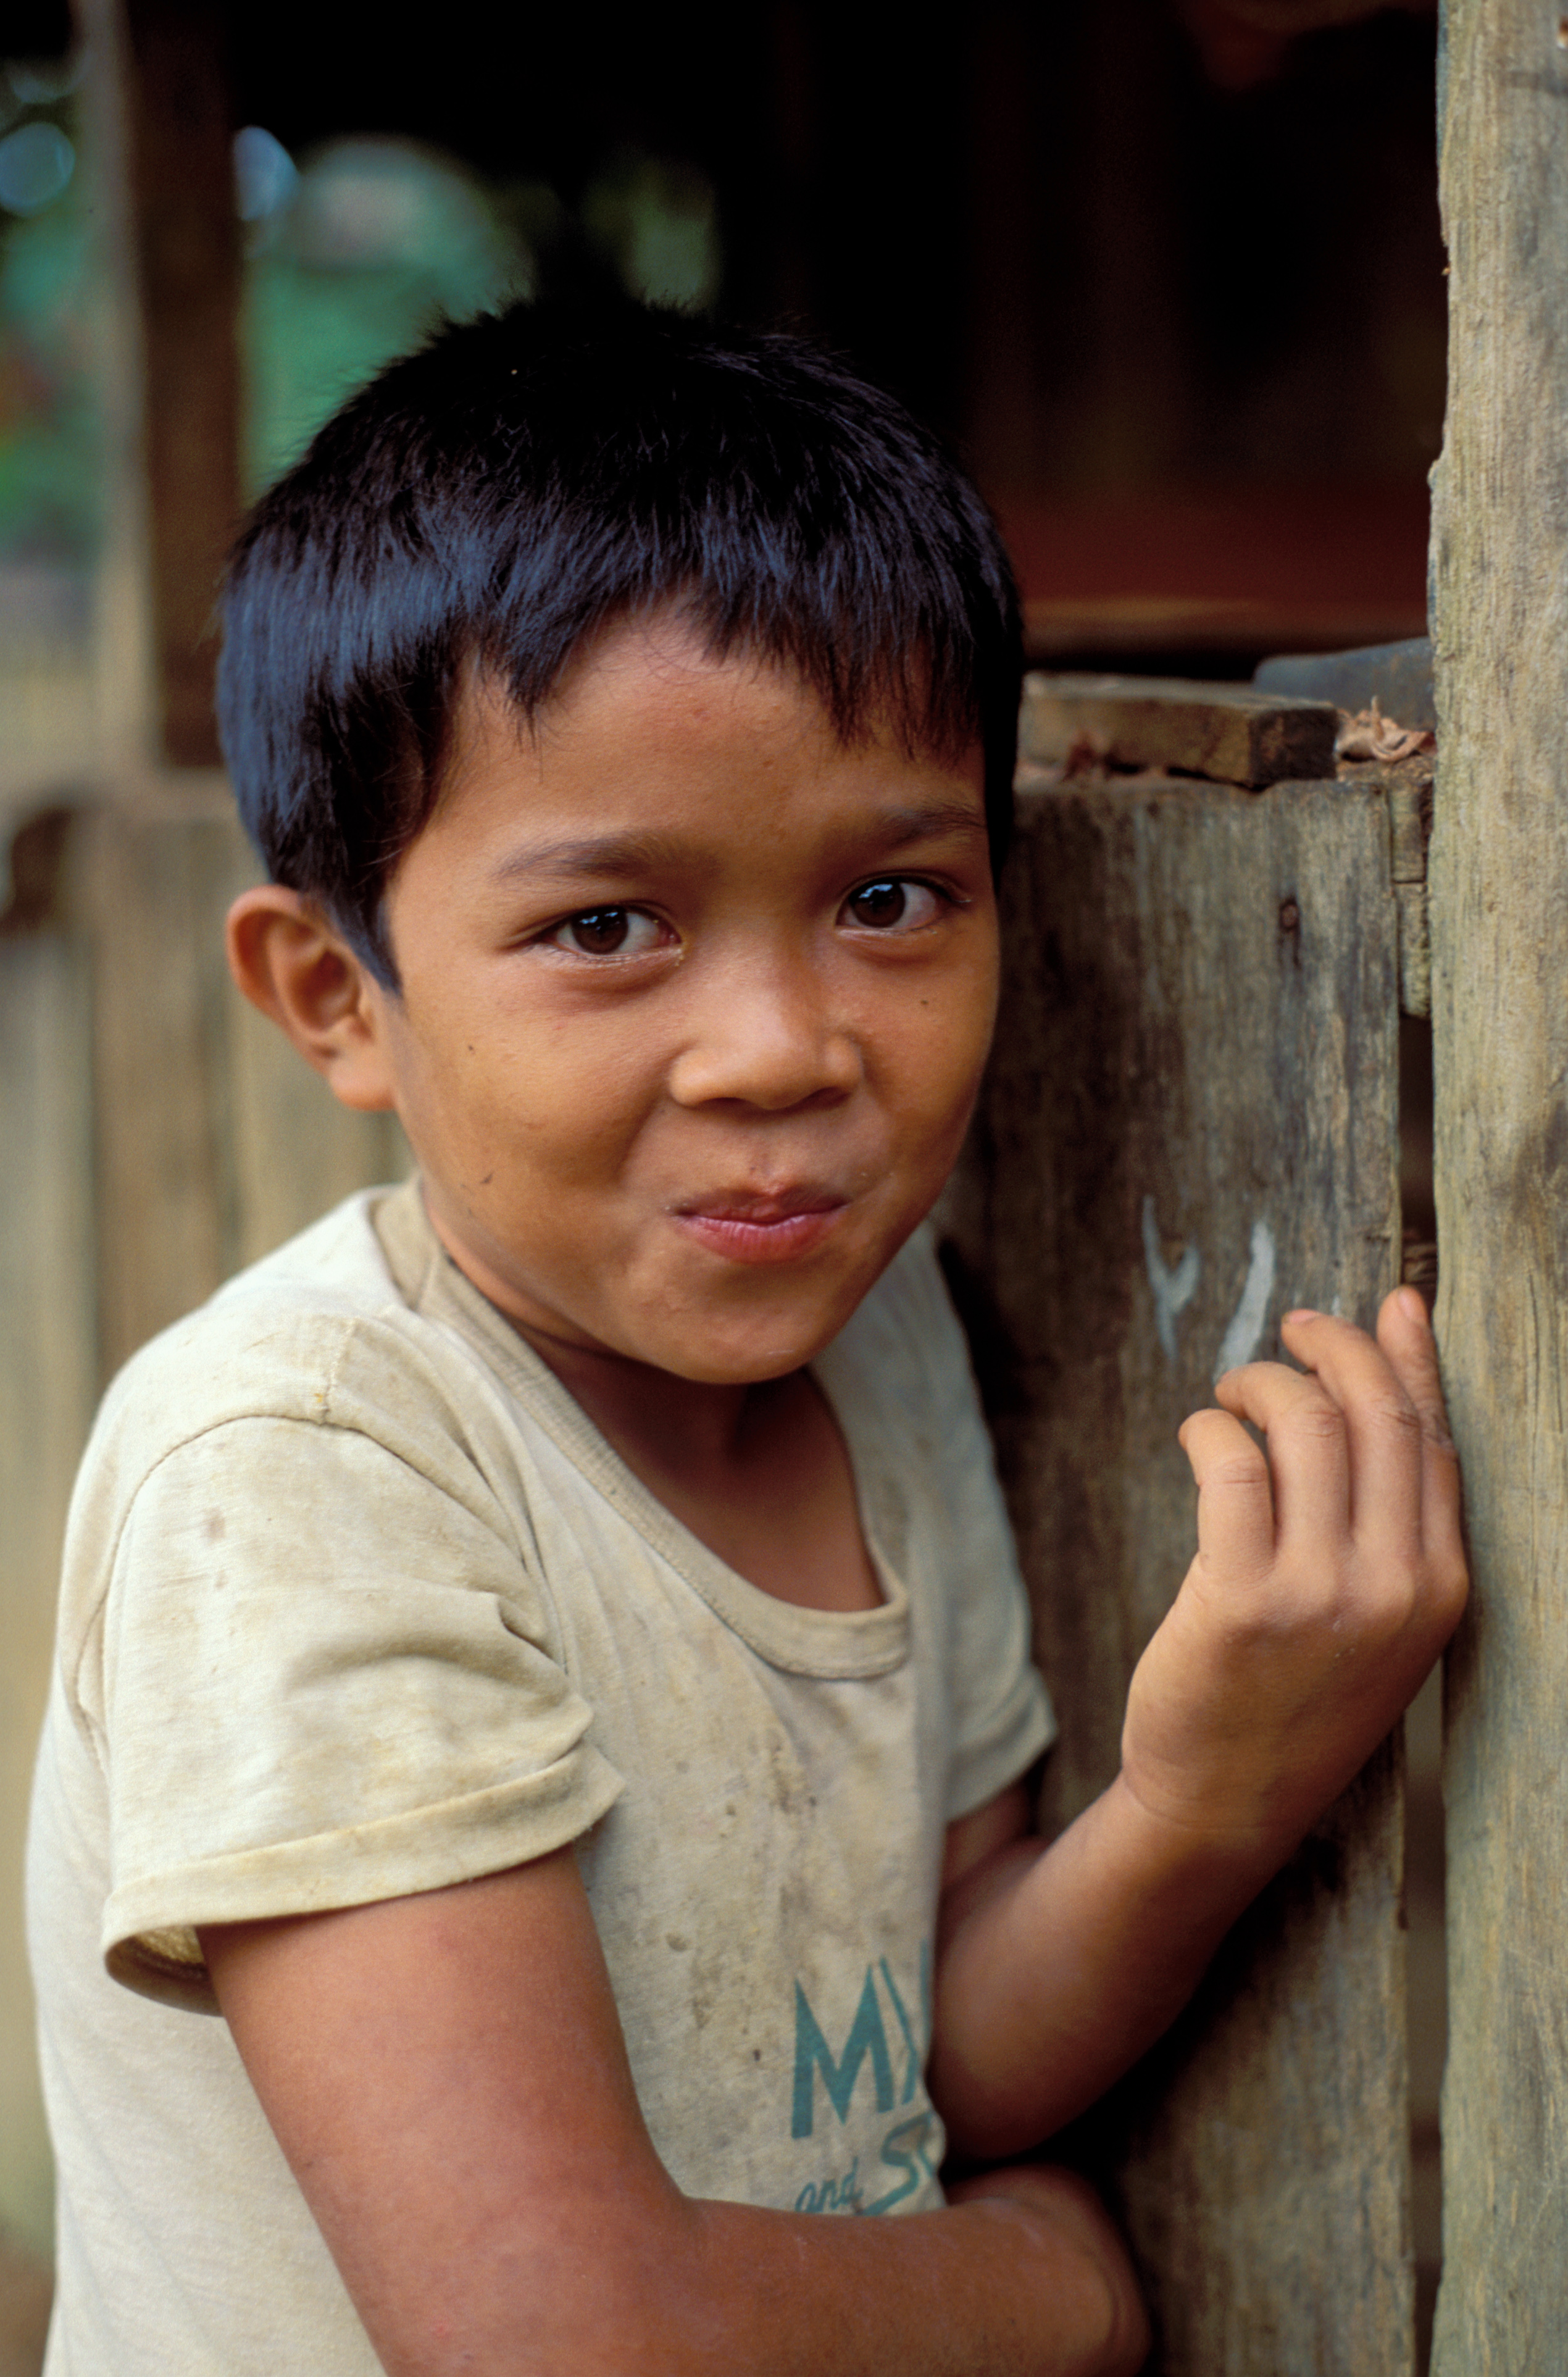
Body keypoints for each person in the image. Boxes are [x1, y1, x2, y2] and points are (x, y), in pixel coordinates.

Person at [27, 301, 1466, 2377]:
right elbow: (572, 2342)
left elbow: (913, 2057)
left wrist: (1199, 1800)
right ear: (335, 997)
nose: (784, 1050)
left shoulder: (872, 1357)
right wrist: (1054, 2287)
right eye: (606, 927)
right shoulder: (306, 1472)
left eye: (891, 898)